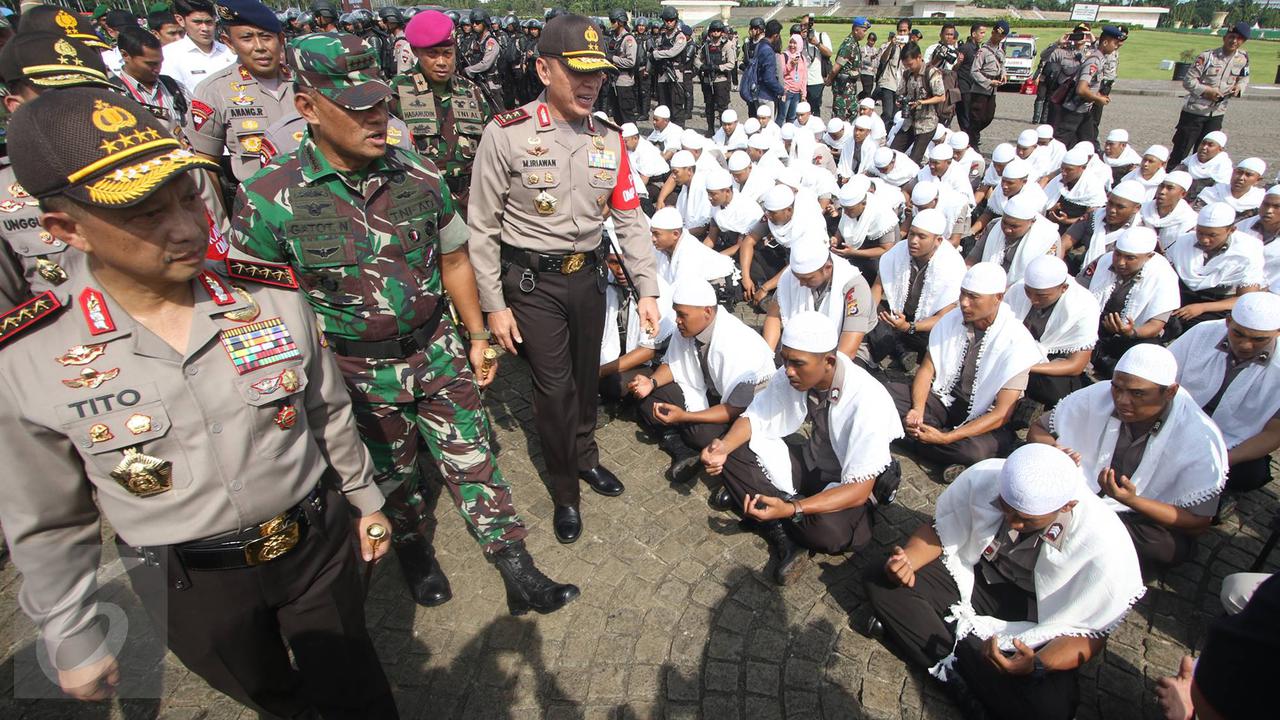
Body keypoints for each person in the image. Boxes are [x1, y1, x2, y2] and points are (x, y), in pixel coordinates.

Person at [0, 86, 398, 718]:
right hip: (185, 580)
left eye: (188, 197)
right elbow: (49, 519)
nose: (186, 228)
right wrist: (71, 634)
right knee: (272, 697)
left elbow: (326, 410)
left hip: (313, 544)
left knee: (357, 689)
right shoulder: (29, 356)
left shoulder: (265, 294)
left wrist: (364, 499)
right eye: (144, 215)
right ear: (65, 228)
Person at [232, 33, 576, 613]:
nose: (375, 118)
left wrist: (476, 336)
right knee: (392, 469)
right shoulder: (267, 196)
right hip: (353, 370)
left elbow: (454, 258)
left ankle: (515, 564)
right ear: (308, 106)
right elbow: (258, 304)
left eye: (379, 103)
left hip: (435, 349)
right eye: (356, 108)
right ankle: (414, 547)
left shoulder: (417, 173)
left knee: (475, 457)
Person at [468, 14, 659, 544]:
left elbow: (628, 217)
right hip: (532, 285)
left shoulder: (610, 139)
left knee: (583, 377)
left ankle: (586, 454)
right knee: (553, 389)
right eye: (578, 71)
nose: (591, 83)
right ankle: (565, 490)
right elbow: (481, 227)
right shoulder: (506, 134)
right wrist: (493, 306)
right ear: (543, 69)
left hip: (589, 279)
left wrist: (647, 287)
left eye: (597, 73)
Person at [863, 444, 1145, 720]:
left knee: (1052, 711)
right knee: (881, 578)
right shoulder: (986, 478)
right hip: (978, 578)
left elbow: (1090, 633)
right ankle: (958, 674)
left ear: (1067, 505)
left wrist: (1035, 665)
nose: (1011, 522)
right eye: (1004, 508)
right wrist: (907, 562)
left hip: (1038, 616)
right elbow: (942, 532)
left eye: (1024, 519)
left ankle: (934, 645)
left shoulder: (1105, 544)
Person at [703, 311, 904, 583]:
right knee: (734, 449)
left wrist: (791, 508)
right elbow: (756, 416)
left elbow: (858, 489)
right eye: (785, 360)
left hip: (847, 486)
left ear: (829, 361)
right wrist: (723, 448)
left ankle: (770, 510)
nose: (788, 371)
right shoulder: (791, 375)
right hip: (813, 463)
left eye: (797, 364)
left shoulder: (868, 399)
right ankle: (779, 524)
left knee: (830, 534)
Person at [1031, 344, 1226, 571]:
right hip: (1079, 492)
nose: (1122, 400)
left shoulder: (1198, 437)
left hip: (1136, 514)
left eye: (1138, 393)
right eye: (1117, 388)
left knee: (1165, 547)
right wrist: (1055, 450)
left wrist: (1132, 501)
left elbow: (1198, 522)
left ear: (1170, 392)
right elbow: (1038, 429)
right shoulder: (1099, 395)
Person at [887, 262, 1044, 480]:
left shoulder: (1017, 341)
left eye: (973, 297)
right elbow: (926, 369)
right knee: (886, 396)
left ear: (998, 297)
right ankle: (928, 441)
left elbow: (1001, 414)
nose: (964, 303)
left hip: (985, 419)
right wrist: (917, 410)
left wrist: (947, 438)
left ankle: (921, 439)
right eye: (962, 294)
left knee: (974, 451)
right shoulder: (951, 320)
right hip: (946, 399)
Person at [0, 29, 116, 313]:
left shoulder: (166, 167)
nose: (79, 106)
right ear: (16, 106)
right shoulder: (4, 192)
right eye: (57, 95)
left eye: (91, 92)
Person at [630, 278, 774, 482]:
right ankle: (680, 448)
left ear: (707, 312)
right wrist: (651, 382)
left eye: (682, 315)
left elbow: (736, 409)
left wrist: (684, 417)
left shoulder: (737, 345)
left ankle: (728, 464)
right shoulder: (689, 329)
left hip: (745, 412)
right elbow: (675, 363)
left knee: (702, 434)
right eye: (676, 313)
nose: (677, 320)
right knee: (649, 397)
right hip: (711, 394)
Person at [1168, 286, 1280, 510]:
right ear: (1228, 322)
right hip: (1179, 418)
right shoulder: (1203, 332)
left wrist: (1224, 460)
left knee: (1249, 473)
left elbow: (1274, 432)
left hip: (1232, 440)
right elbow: (1165, 373)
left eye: (1258, 339)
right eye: (1238, 333)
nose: (1245, 345)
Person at [184, 0, 294, 202]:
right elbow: (205, 167)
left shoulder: (305, 83)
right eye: (247, 38)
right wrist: (223, 225)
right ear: (229, 43)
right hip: (258, 208)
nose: (259, 47)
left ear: (280, 39)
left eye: (266, 37)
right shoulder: (214, 91)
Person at [389, 10, 492, 217]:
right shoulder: (396, 92)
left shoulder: (470, 91)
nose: (442, 62)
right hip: (420, 202)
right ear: (417, 52)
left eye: (447, 53)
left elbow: (489, 146)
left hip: (469, 203)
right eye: (433, 54)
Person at [764, 231, 877, 367]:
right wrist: (767, 357)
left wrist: (812, 370)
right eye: (797, 278)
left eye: (808, 279)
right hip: (806, 341)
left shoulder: (855, 287)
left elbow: (848, 350)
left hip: (848, 349)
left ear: (827, 268)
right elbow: (773, 315)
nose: (800, 284)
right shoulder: (792, 276)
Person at [868, 208, 965, 364]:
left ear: (938, 241)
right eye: (912, 234)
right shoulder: (898, 252)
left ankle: (900, 348)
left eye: (922, 237)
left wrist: (909, 326)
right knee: (874, 319)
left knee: (940, 342)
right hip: (901, 315)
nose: (913, 241)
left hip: (926, 325)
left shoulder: (952, 265)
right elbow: (878, 288)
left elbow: (943, 317)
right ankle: (900, 349)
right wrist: (867, 313)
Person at [1087, 227, 1181, 378]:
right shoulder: (1103, 261)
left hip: (1136, 334)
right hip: (1098, 325)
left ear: (1149, 256)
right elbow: (1080, 289)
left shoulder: (1163, 275)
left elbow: (1155, 325)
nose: (1121, 262)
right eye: (1118, 254)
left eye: (1130, 258)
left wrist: (1130, 332)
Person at [1007, 256, 1098, 409]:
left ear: (1063, 288)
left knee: (1056, 391)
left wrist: (1026, 367)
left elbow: (1076, 364)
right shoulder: (1018, 290)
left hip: (1050, 364)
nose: (1033, 300)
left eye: (1041, 296)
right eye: (1028, 293)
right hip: (1016, 354)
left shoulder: (1084, 306)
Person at [1164, 202, 1265, 338]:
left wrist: (1202, 307)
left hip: (1218, 305)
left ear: (1231, 230)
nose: (1205, 240)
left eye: (1212, 235)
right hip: (1182, 297)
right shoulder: (1184, 241)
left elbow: (1245, 298)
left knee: (1197, 330)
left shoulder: (1248, 250)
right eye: (1200, 233)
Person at [1169, 22, 1252, 170]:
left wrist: (1239, 88)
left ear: (1243, 41)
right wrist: (1207, 91)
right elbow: (1189, 81)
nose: (1234, 41)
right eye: (1231, 37)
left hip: (1217, 113)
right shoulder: (1208, 57)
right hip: (1195, 112)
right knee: (1181, 151)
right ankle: (1171, 179)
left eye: (1239, 39)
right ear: (1225, 37)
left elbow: (1244, 77)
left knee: (1206, 154)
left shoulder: (1243, 59)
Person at [970, 193, 1061, 288]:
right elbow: (973, 258)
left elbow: (1041, 279)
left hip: (1024, 291)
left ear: (1032, 222)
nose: (1007, 229)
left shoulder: (1048, 239)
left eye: (1014, 226)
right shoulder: (994, 226)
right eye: (1004, 222)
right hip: (984, 286)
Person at [1053, 25, 1122, 150]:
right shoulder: (1094, 61)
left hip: (1084, 110)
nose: (1117, 46)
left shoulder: (1100, 59)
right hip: (1074, 110)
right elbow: (1081, 89)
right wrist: (1097, 99)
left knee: (1089, 144)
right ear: (1105, 42)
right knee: (1059, 145)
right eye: (1115, 43)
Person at [114, 26, 189, 134]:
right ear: (125, 55)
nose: (158, 68)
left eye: (160, 62)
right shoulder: (112, 93)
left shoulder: (174, 87)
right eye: (150, 64)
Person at [1063, 179, 1146, 275]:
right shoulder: (1094, 216)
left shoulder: (1139, 234)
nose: (1112, 210)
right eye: (1110, 203)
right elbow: (1064, 242)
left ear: (1136, 208)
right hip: (1077, 268)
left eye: (1120, 207)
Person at [648, 205, 736, 294]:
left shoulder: (688, 253)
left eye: (657, 234)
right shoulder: (662, 247)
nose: (653, 239)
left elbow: (681, 291)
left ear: (675, 234)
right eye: (652, 234)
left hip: (722, 281)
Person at [831, 175, 899, 280]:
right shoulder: (849, 209)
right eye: (845, 209)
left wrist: (854, 253)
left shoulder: (882, 215)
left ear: (863, 204)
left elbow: (886, 249)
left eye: (850, 210)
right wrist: (835, 239)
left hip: (878, 259)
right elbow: (843, 227)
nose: (846, 213)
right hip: (855, 252)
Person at [163, 0, 235, 96]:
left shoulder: (230, 51)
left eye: (209, 22)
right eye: (197, 22)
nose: (205, 28)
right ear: (180, 20)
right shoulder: (169, 55)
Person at [891, 42, 945, 163]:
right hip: (909, 122)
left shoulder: (932, 73)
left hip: (927, 123)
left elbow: (941, 97)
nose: (908, 68)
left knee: (914, 159)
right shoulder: (907, 74)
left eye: (910, 64)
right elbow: (900, 92)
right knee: (892, 153)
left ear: (919, 57)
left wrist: (922, 102)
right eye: (905, 65)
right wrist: (900, 101)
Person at [965, 19, 1007, 152]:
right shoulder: (983, 50)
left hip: (992, 90)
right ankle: (972, 141)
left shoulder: (1000, 50)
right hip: (980, 90)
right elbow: (974, 71)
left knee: (989, 116)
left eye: (1002, 36)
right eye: (997, 34)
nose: (999, 38)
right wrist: (988, 82)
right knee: (977, 117)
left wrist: (1003, 74)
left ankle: (972, 135)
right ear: (993, 32)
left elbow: (1001, 64)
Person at [1141, 171, 1198, 252]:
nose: (1162, 192)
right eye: (1161, 186)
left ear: (1183, 194)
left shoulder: (1190, 221)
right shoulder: (1142, 209)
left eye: (1170, 188)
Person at [872, 18, 912, 131]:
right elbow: (883, 60)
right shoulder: (890, 44)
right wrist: (891, 45)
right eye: (900, 31)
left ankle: (891, 135)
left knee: (897, 115)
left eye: (905, 31)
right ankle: (881, 133)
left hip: (902, 85)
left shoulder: (911, 47)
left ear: (909, 31)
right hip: (888, 82)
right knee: (887, 113)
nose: (902, 33)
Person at [1195, 157, 1266, 217]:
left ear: (1257, 180)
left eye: (1248, 175)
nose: (1241, 178)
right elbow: (1196, 216)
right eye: (1239, 172)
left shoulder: (1260, 200)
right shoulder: (1212, 192)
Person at [1238, 185, 1280, 287]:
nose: (1269, 211)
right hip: (1236, 285)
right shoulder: (1242, 226)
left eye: (1277, 206)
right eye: (1266, 204)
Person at [828, 17, 869, 121]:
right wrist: (829, 80)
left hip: (849, 89)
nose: (865, 34)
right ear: (856, 30)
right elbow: (835, 68)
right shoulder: (848, 45)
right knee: (841, 119)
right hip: (843, 90)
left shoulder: (854, 43)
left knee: (851, 116)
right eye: (863, 31)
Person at [698, 20, 735, 135]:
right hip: (708, 80)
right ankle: (710, 129)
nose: (715, 33)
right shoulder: (706, 46)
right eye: (713, 31)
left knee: (722, 107)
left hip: (721, 79)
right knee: (709, 106)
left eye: (718, 31)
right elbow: (696, 58)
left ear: (722, 32)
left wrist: (718, 67)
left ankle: (724, 130)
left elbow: (731, 63)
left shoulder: (727, 45)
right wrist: (703, 66)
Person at [1175, 130, 1232, 199]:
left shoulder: (1223, 169)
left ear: (1220, 149)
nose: (1204, 147)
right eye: (1203, 143)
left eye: (1210, 145)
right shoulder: (1189, 162)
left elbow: (1219, 194)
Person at [953, 22, 984, 132]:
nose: (983, 35)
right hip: (963, 85)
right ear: (974, 34)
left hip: (973, 86)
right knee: (964, 113)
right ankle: (966, 134)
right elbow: (955, 68)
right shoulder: (965, 48)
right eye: (981, 33)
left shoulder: (978, 49)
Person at [800, 13, 831, 111]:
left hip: (816, 81)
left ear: (812, 24)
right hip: (802, 81)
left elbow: (829, 53)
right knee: (802, 109)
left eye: (805, 25)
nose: (803, 27)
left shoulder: (821, 35)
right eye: (801, 25)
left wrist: (817, 43)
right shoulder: (801, 39)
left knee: (814, 110)